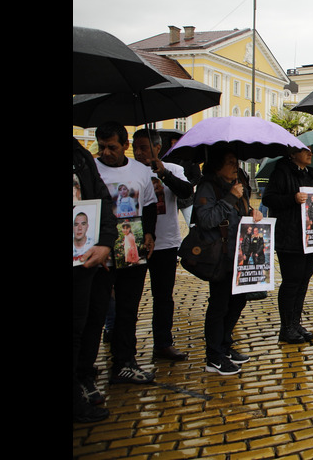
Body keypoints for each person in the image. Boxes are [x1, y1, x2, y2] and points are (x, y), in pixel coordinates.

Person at [80, 121, 158, 387]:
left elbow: (148, 205)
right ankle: (85, 369)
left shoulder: (140, 170)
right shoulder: (90, 168)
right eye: (102, 147)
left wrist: (150, 234)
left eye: (112, 147)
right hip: (99, 248)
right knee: (96, 310)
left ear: (125, 145)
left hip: (131, 244)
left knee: (128, 308)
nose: (106, 152)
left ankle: (125, 362)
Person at [193, 147, 262, 375]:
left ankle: (224, 344)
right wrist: (230, 196)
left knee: (238, 301)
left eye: (236, 161)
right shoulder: (208, 186)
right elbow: (205, 219)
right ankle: (213, 356)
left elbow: (241, 211)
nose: (236, 166)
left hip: (240, 253)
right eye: (231, 162)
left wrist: (252, 212)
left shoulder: (239, 181)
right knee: (219, 304)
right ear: (217, 166)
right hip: (220, 256)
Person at [132, 129, 193, 362]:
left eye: (144, 148)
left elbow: (187, 192)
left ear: (157, 148)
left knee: (163, 296)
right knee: (131, 296)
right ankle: (123, 344)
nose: (138, 152)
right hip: (134, 241)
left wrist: (164, 173)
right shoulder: (130, 170)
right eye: (135, 148)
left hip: (165, 242)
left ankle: (163, 342)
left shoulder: (173, 169)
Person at [73, 138, 118, 423]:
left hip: (83, 261)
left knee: (83, 324)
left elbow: (102, 200)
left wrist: (104, 242)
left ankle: (81, 383)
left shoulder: (79, 155)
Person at [261, 145, 313, 344]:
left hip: (310, 236)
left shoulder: (312, 173)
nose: (309, 153)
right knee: (292, 281)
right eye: (305, 150)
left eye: (310, 151)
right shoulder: (281, 172)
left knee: (304, 280)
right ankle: (286, 327)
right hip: (290, 236)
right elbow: (268, 198)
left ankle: (296, 323)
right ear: (293, 154)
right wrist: (292, 199)